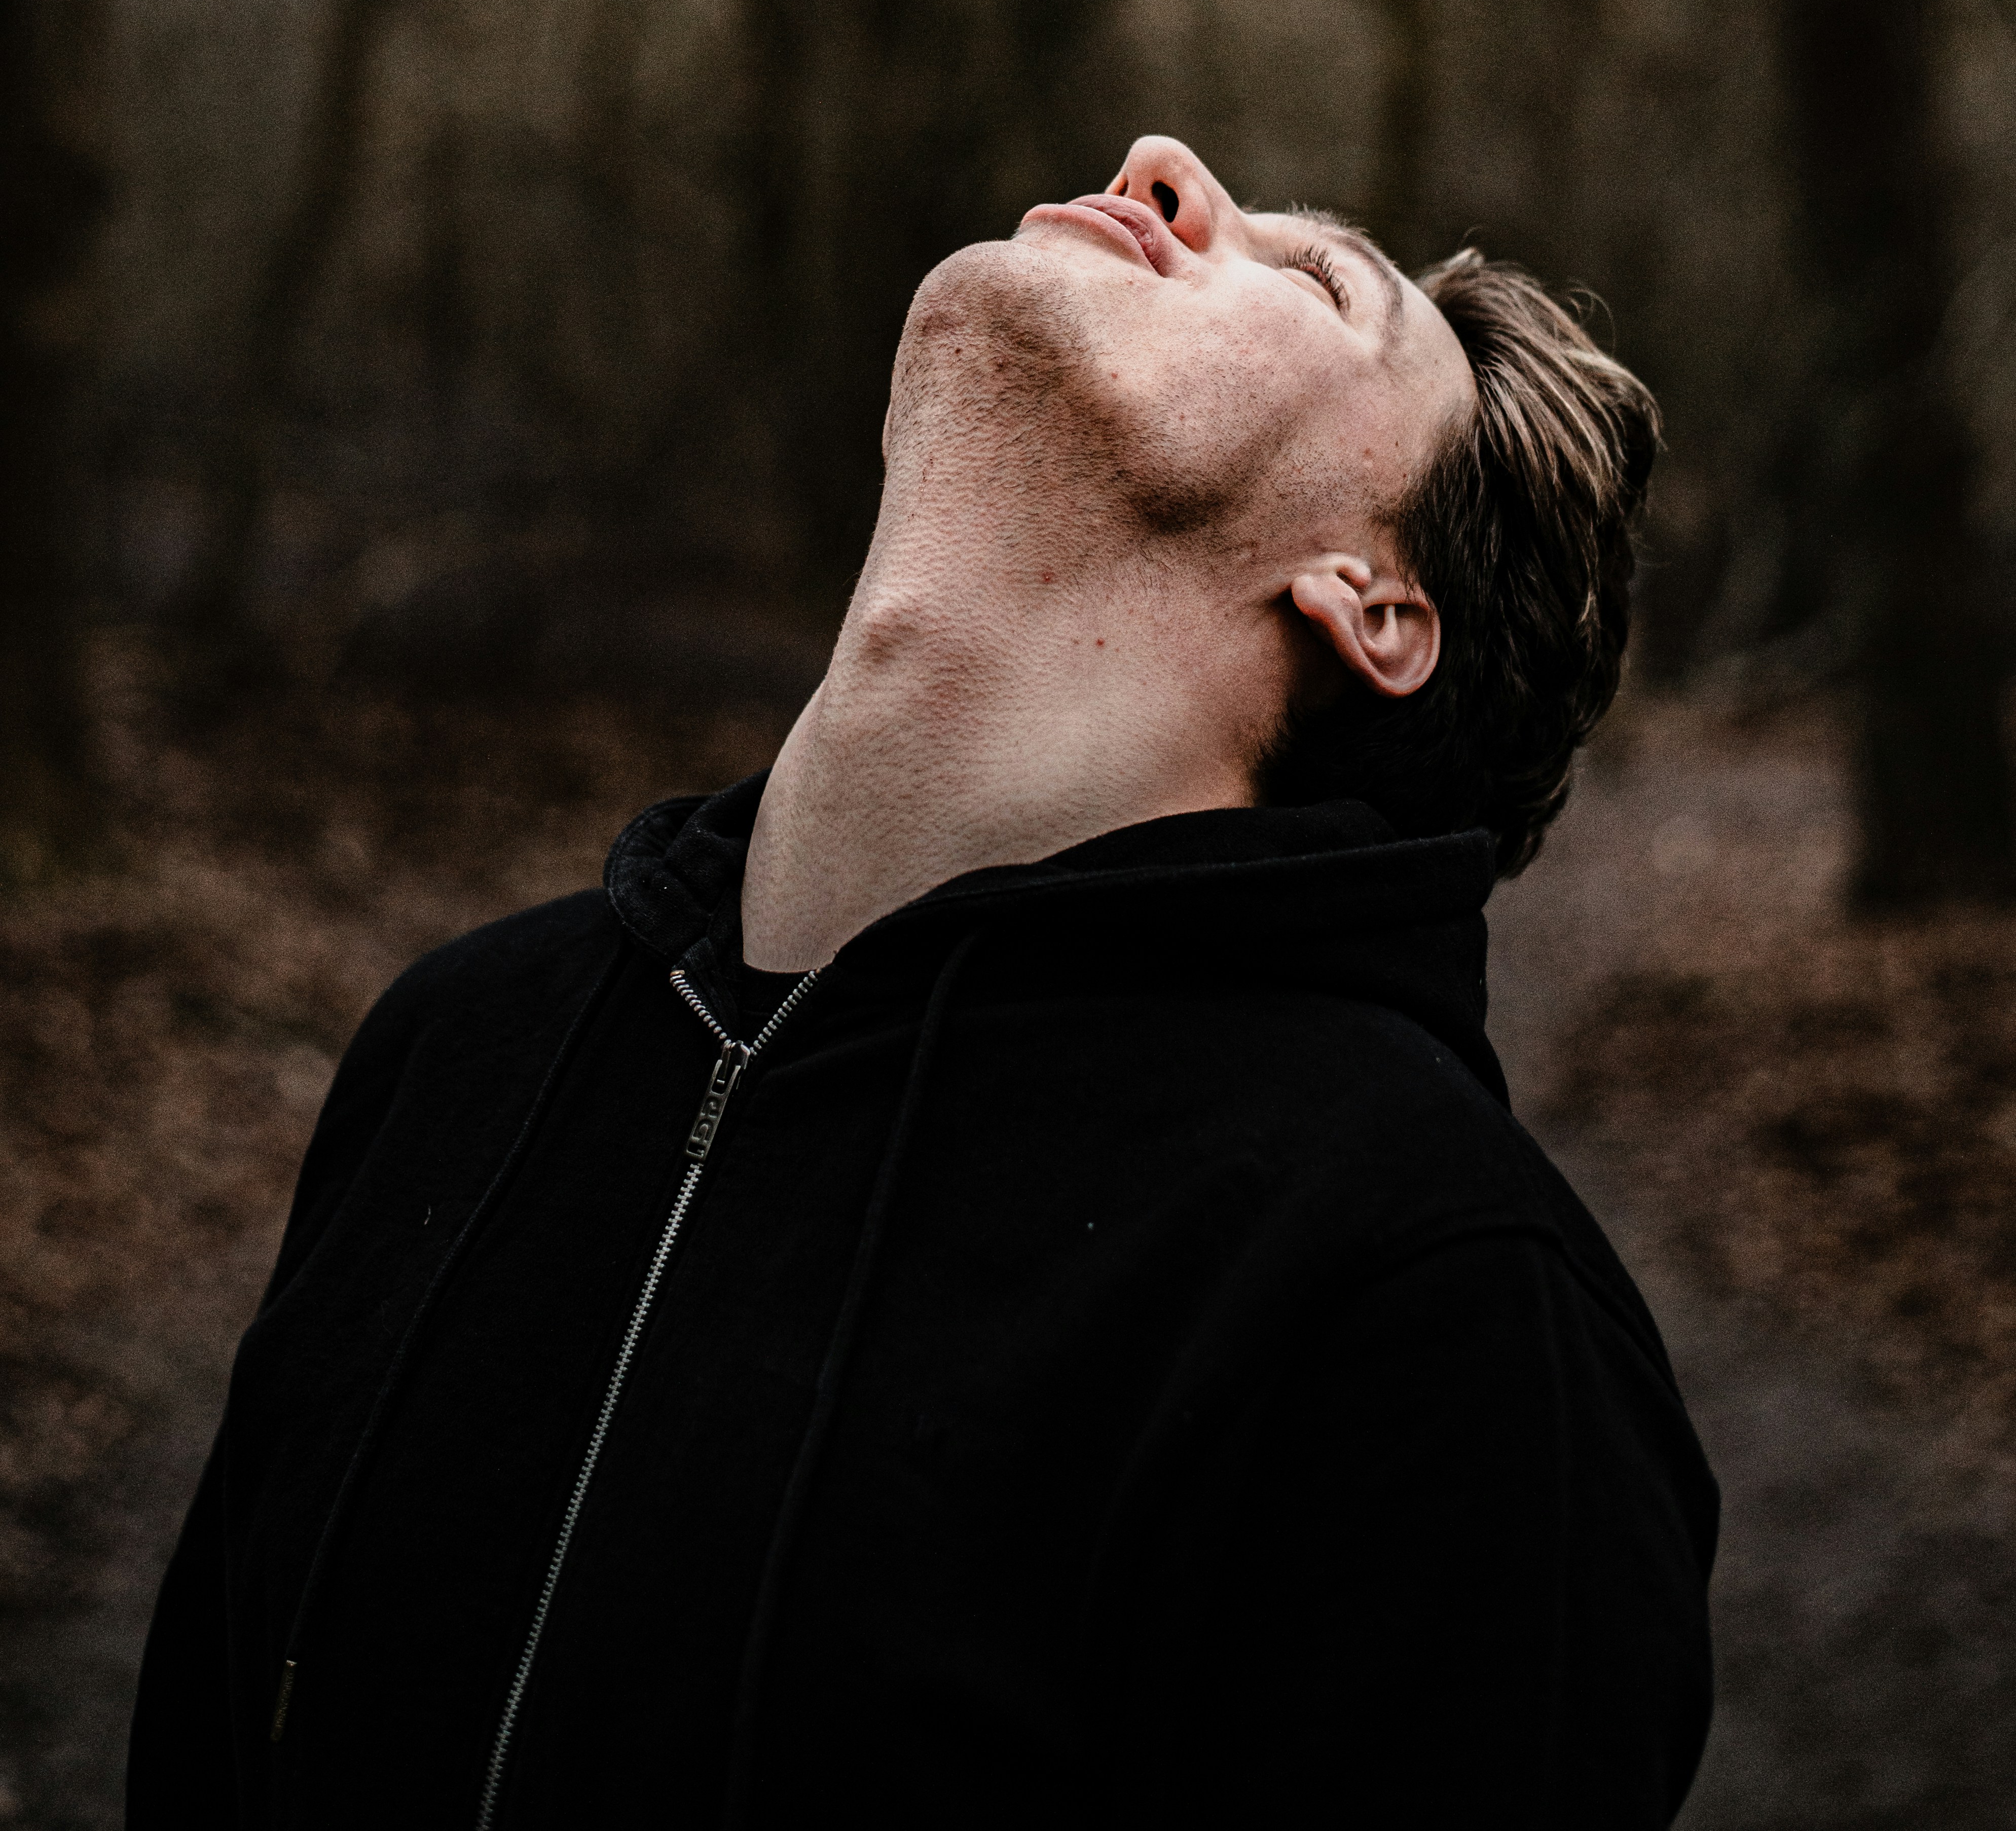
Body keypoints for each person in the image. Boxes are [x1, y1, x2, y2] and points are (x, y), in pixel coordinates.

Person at [129, 132, 1717, 1829]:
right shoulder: (459, 1048)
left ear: (1373, 595)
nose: (1162, 163)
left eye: (1317, 279)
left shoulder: (1439, 1306)